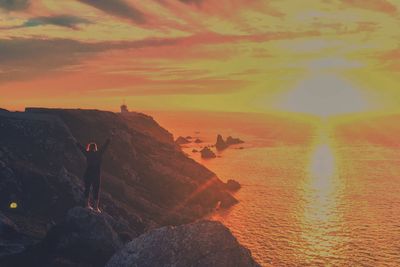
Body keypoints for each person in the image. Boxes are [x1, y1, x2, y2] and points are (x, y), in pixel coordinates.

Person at [76, 135, 113, 212]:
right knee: (96, 190)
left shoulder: (87, 153)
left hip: (88, 173)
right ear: (95, 148)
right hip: (96, 174)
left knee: (87, 189)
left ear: (89, 147)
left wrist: (76, 142)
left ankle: (87, 205)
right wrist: (109, 138)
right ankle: (96, 207)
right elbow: (105, 146)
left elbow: (81, 148)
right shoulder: (99, 153)